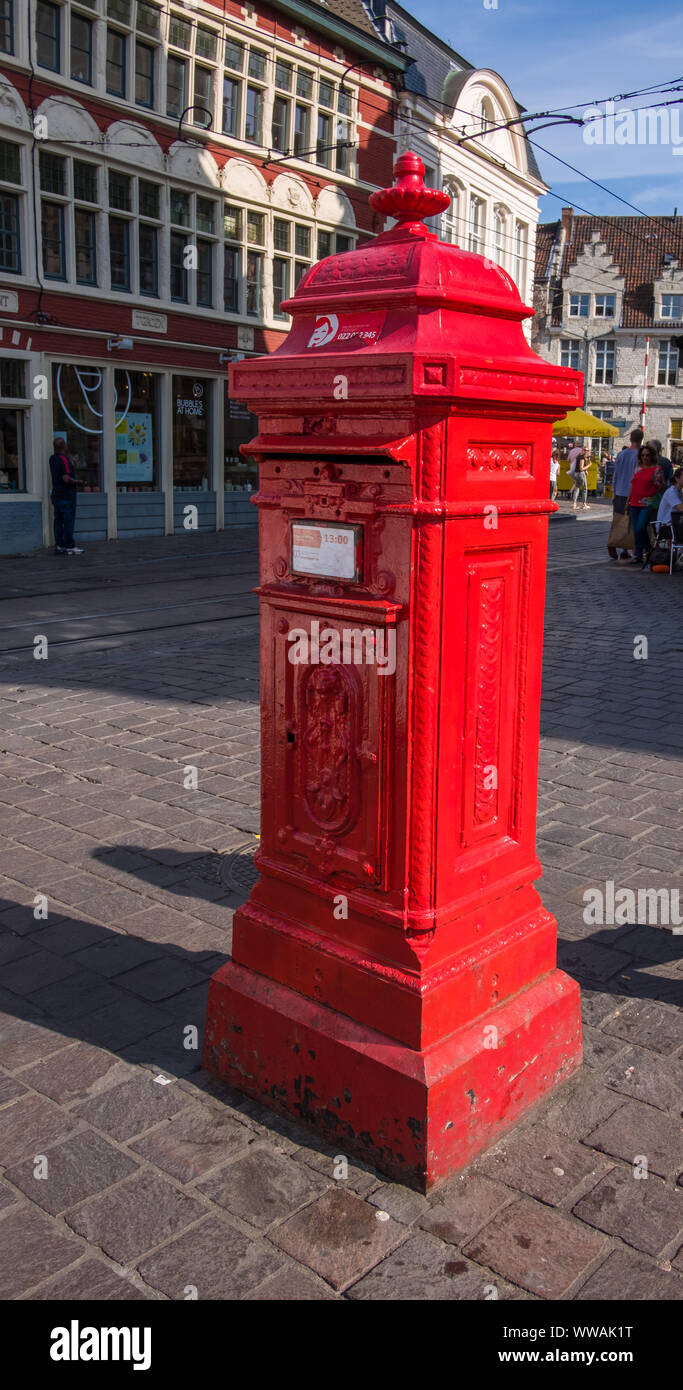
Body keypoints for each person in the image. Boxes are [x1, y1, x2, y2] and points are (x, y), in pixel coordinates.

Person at [609, 428, 643, 559]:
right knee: (630, 522)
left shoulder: (622, 454)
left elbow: (616, 474)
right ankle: (624, 549)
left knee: (617, 520)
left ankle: (614, 544)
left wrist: (614, 492)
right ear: (641, 440)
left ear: (630, 439)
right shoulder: (641, 455)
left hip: (619, 491)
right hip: (632, 493)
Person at [49, 436, 83, 556]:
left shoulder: (52, 459)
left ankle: (59, 545)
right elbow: (66, 478)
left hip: (56, 494)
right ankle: (70, 545)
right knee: (68, 521)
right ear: (64, 446)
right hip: (67, 495)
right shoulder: (64, 460)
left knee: (58, 520)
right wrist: (78, 482)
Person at [627, 443, 659, 565]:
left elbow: (661, 487)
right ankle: (640, 555)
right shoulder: (638, 468)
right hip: (634, 503)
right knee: (637, 530)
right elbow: (633, 485)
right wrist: (627, 501)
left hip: (647, 504)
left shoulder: (656, 470)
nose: (645, 457)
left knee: (640, 528)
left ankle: (648, 551)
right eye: (643, 455)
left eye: (647, 455)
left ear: (652, 456)